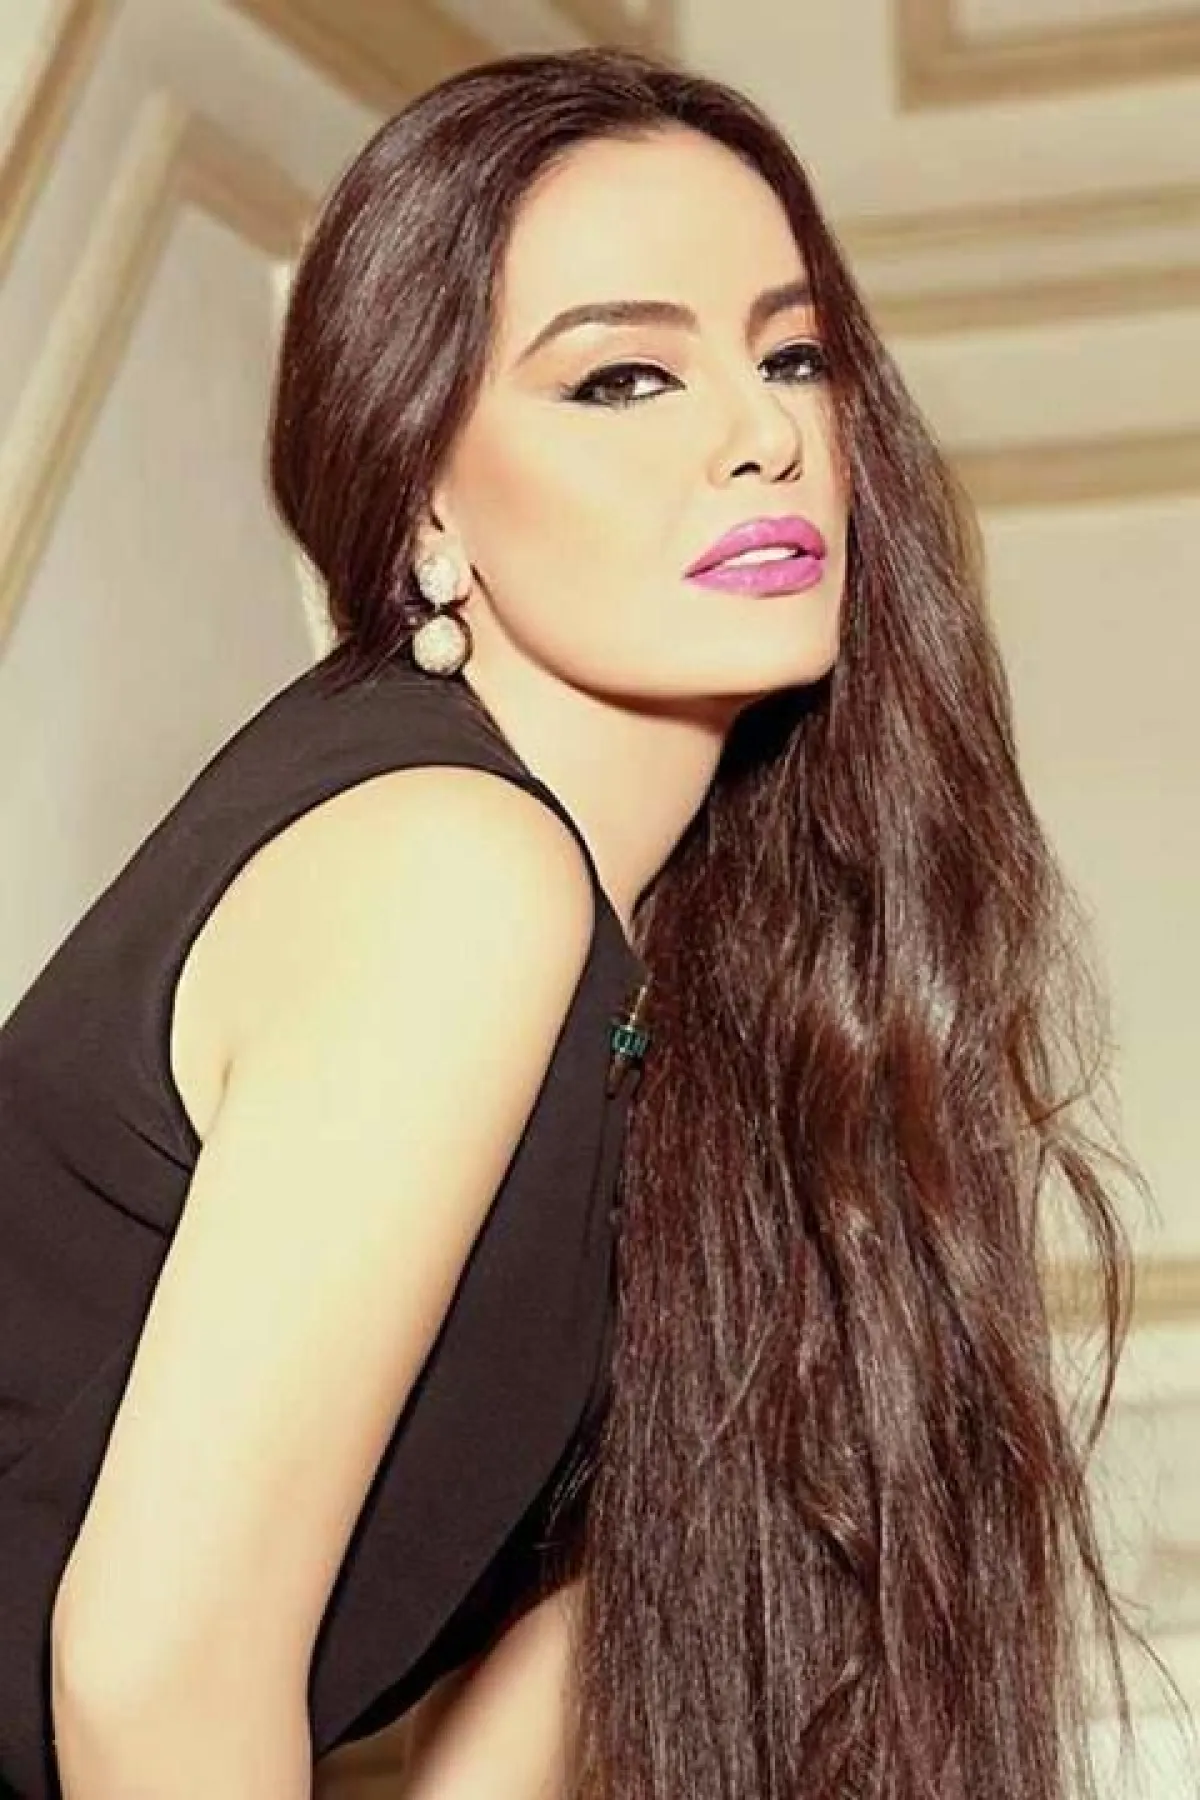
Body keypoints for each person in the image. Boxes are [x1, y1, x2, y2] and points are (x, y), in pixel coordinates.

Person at [0, 42, 1178, 1800]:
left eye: (793, 356)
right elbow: (152, 1682)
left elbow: (559, 1679)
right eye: (624, 377)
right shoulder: (451, 872)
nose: (764, 432)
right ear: (423, 496)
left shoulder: (682, 981)